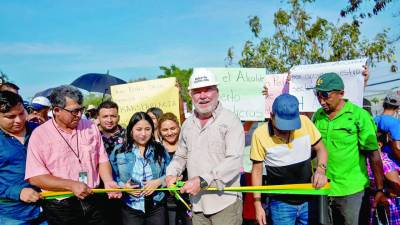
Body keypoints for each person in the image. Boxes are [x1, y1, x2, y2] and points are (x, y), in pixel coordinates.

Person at [25, 85, 120, 225]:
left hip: (94, 198)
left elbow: (102, 159)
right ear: (56, 110)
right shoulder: (40, 135)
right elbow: (35, 177)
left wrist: (108, 181)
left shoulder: (90, 127)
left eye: (81, 110)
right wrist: (70, 185)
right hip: (61, 205)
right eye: (74, 111)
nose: (79, 115)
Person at [166, 68, 244, 225]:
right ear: (190, 95)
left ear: (217, 91)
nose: (202, 96)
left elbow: (234, 160)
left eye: (207, 90)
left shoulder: (231, 121)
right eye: (197, 91)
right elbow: (181, 156)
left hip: (225, 203)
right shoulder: (187, 125)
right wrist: (171, 173)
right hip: (197, 205)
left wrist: (203, 180)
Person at [311, 72, 387, 225]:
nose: (321, 101)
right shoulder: (317, 116)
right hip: (323, 189)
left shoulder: (359, 116)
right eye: (318, 95)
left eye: (325, 96)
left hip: (351, 192)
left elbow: (374, 155)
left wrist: (380, 189)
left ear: (341, 93)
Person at [250, 93, 328, 225]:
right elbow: (257, 171)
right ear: (272, 115)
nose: (286, 130)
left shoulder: (305, 122)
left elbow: (322, 150)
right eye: (282, 125)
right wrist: (257, 205)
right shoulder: (260, 135)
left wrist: (321, 170)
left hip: (309, 199)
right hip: (280, 205)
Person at [110, 112, 170, 225]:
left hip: (156, 206)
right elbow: (112, 176)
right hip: (130, 207)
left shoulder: (160, 149)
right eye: (139, 129)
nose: (143, 134)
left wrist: (158, 182)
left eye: (147, 129)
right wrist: (123, 187)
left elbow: (171, 173)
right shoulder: (119, 151)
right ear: (131, 130)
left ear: (152, 130)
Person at [0, 91, 46, 224]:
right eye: (11, 117)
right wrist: (17, 192)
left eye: (21, 113)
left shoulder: (39, 131)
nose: (19, 120)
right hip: (12, 215)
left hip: (47, 209)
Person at [158, 112, 192, 225]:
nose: (169, 133)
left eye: (173, 128)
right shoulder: (156, 148)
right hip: (166, 200)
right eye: (165, 130)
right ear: (159, 131)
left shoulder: (188, 145)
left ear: (179, 127)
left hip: (188, 197)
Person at [97, 100, 125, 225]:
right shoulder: (92, 136)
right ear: (98, 118)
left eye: (113, 116)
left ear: (118, 117)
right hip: (100, 192)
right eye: (105, 116)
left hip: (125, 191)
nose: (109, 120)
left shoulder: (129, 136)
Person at [367, 132, 400, 225]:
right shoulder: (368, 160)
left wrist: (383, 192)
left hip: (388, 210)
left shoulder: (385, 164)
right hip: (377, 207)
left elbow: (398, 189)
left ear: (379, 144)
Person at [374, 92, 400, 165]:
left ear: (383, 105)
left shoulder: (374, 119)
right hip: (391, 164)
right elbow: (397, 148)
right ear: (397, 108)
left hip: (376, 160)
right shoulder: (395, 123)